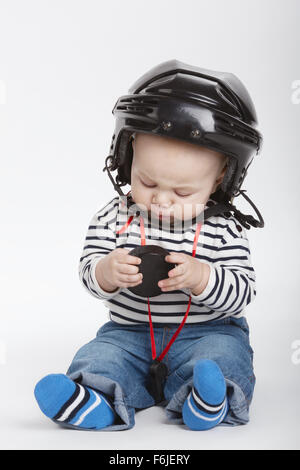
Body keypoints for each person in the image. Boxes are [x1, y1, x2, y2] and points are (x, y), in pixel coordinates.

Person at [34, 60, 264, 431]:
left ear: (222, 176)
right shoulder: (114, 216)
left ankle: (206, 400)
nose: (162, 200)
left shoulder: (224, 227)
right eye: (148, 182)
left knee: (223, 357)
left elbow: (242, 293)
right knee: (100, 356)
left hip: (207, 331)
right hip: (130, 332)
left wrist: (203, 277)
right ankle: (95, 399)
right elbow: (89, 271)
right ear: (127, 156)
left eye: (183, 191)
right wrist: (106, 272)